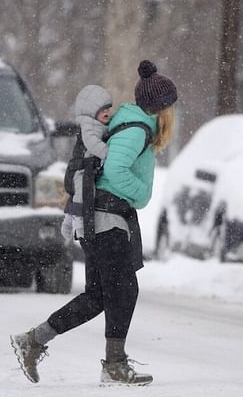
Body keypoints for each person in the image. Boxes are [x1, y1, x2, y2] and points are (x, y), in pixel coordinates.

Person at [10, 60, 178, 386]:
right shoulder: (136, 129)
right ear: (162, 107)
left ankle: (33, 341)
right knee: (124, 290)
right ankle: (114, 364)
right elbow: (115, 171)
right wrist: (141, 194)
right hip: (106, 220)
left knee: (99, 296)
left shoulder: (128, 122)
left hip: (97, 219)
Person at [60, 85, 114, 242]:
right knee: (81, 195)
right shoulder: (88, 125)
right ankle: (79, 227)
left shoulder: (98, 124)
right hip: (80, 169)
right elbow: (91, 143)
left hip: (87, 167)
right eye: (103, 109)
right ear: (91, 110)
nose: (107, 113)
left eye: (108, 109)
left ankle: (68, 221)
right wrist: (108, 153)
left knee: (77, 195)